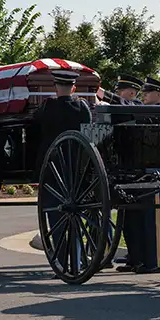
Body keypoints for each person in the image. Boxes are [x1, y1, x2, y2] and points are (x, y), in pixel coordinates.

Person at [34, 70, 94, 266]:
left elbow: (36, 124)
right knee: (75, 219)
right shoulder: (82, 107)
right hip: (76, 170)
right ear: (74, 88)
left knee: (56, 217)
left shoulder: (47, 107)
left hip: (52, 170)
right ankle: (76, 261)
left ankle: (62, 260)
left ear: (55, 88)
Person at [120, 76, 160, 274]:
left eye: (147, 93)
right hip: (135, 170)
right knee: (133, 218)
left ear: (158, 95)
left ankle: (157, 262)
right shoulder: (143, 109)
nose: (144, 95)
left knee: (153, 218)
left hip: (154, 172)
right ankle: (137, 259)